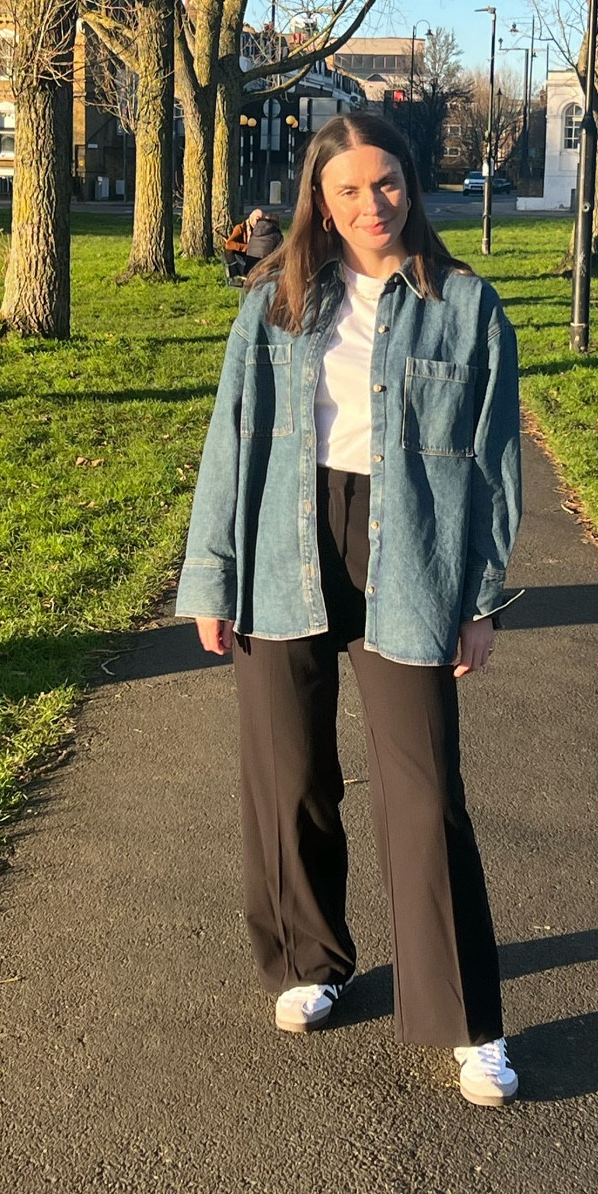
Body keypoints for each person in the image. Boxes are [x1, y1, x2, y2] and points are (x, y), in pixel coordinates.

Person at [177, 111, 523, 1106]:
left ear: (409, 185)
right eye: (348, 190)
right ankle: (306, 961)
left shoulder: (465, 306)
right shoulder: (276, 304)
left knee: (423, 791)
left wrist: (483, 600)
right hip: (285, 538)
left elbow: (495, 467)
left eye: (387, 184)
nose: (373, 205)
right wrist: (212, 576)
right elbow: (230, 442)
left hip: (409, 552)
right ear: (318, 204)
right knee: (289, 775)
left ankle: (466, 1020)